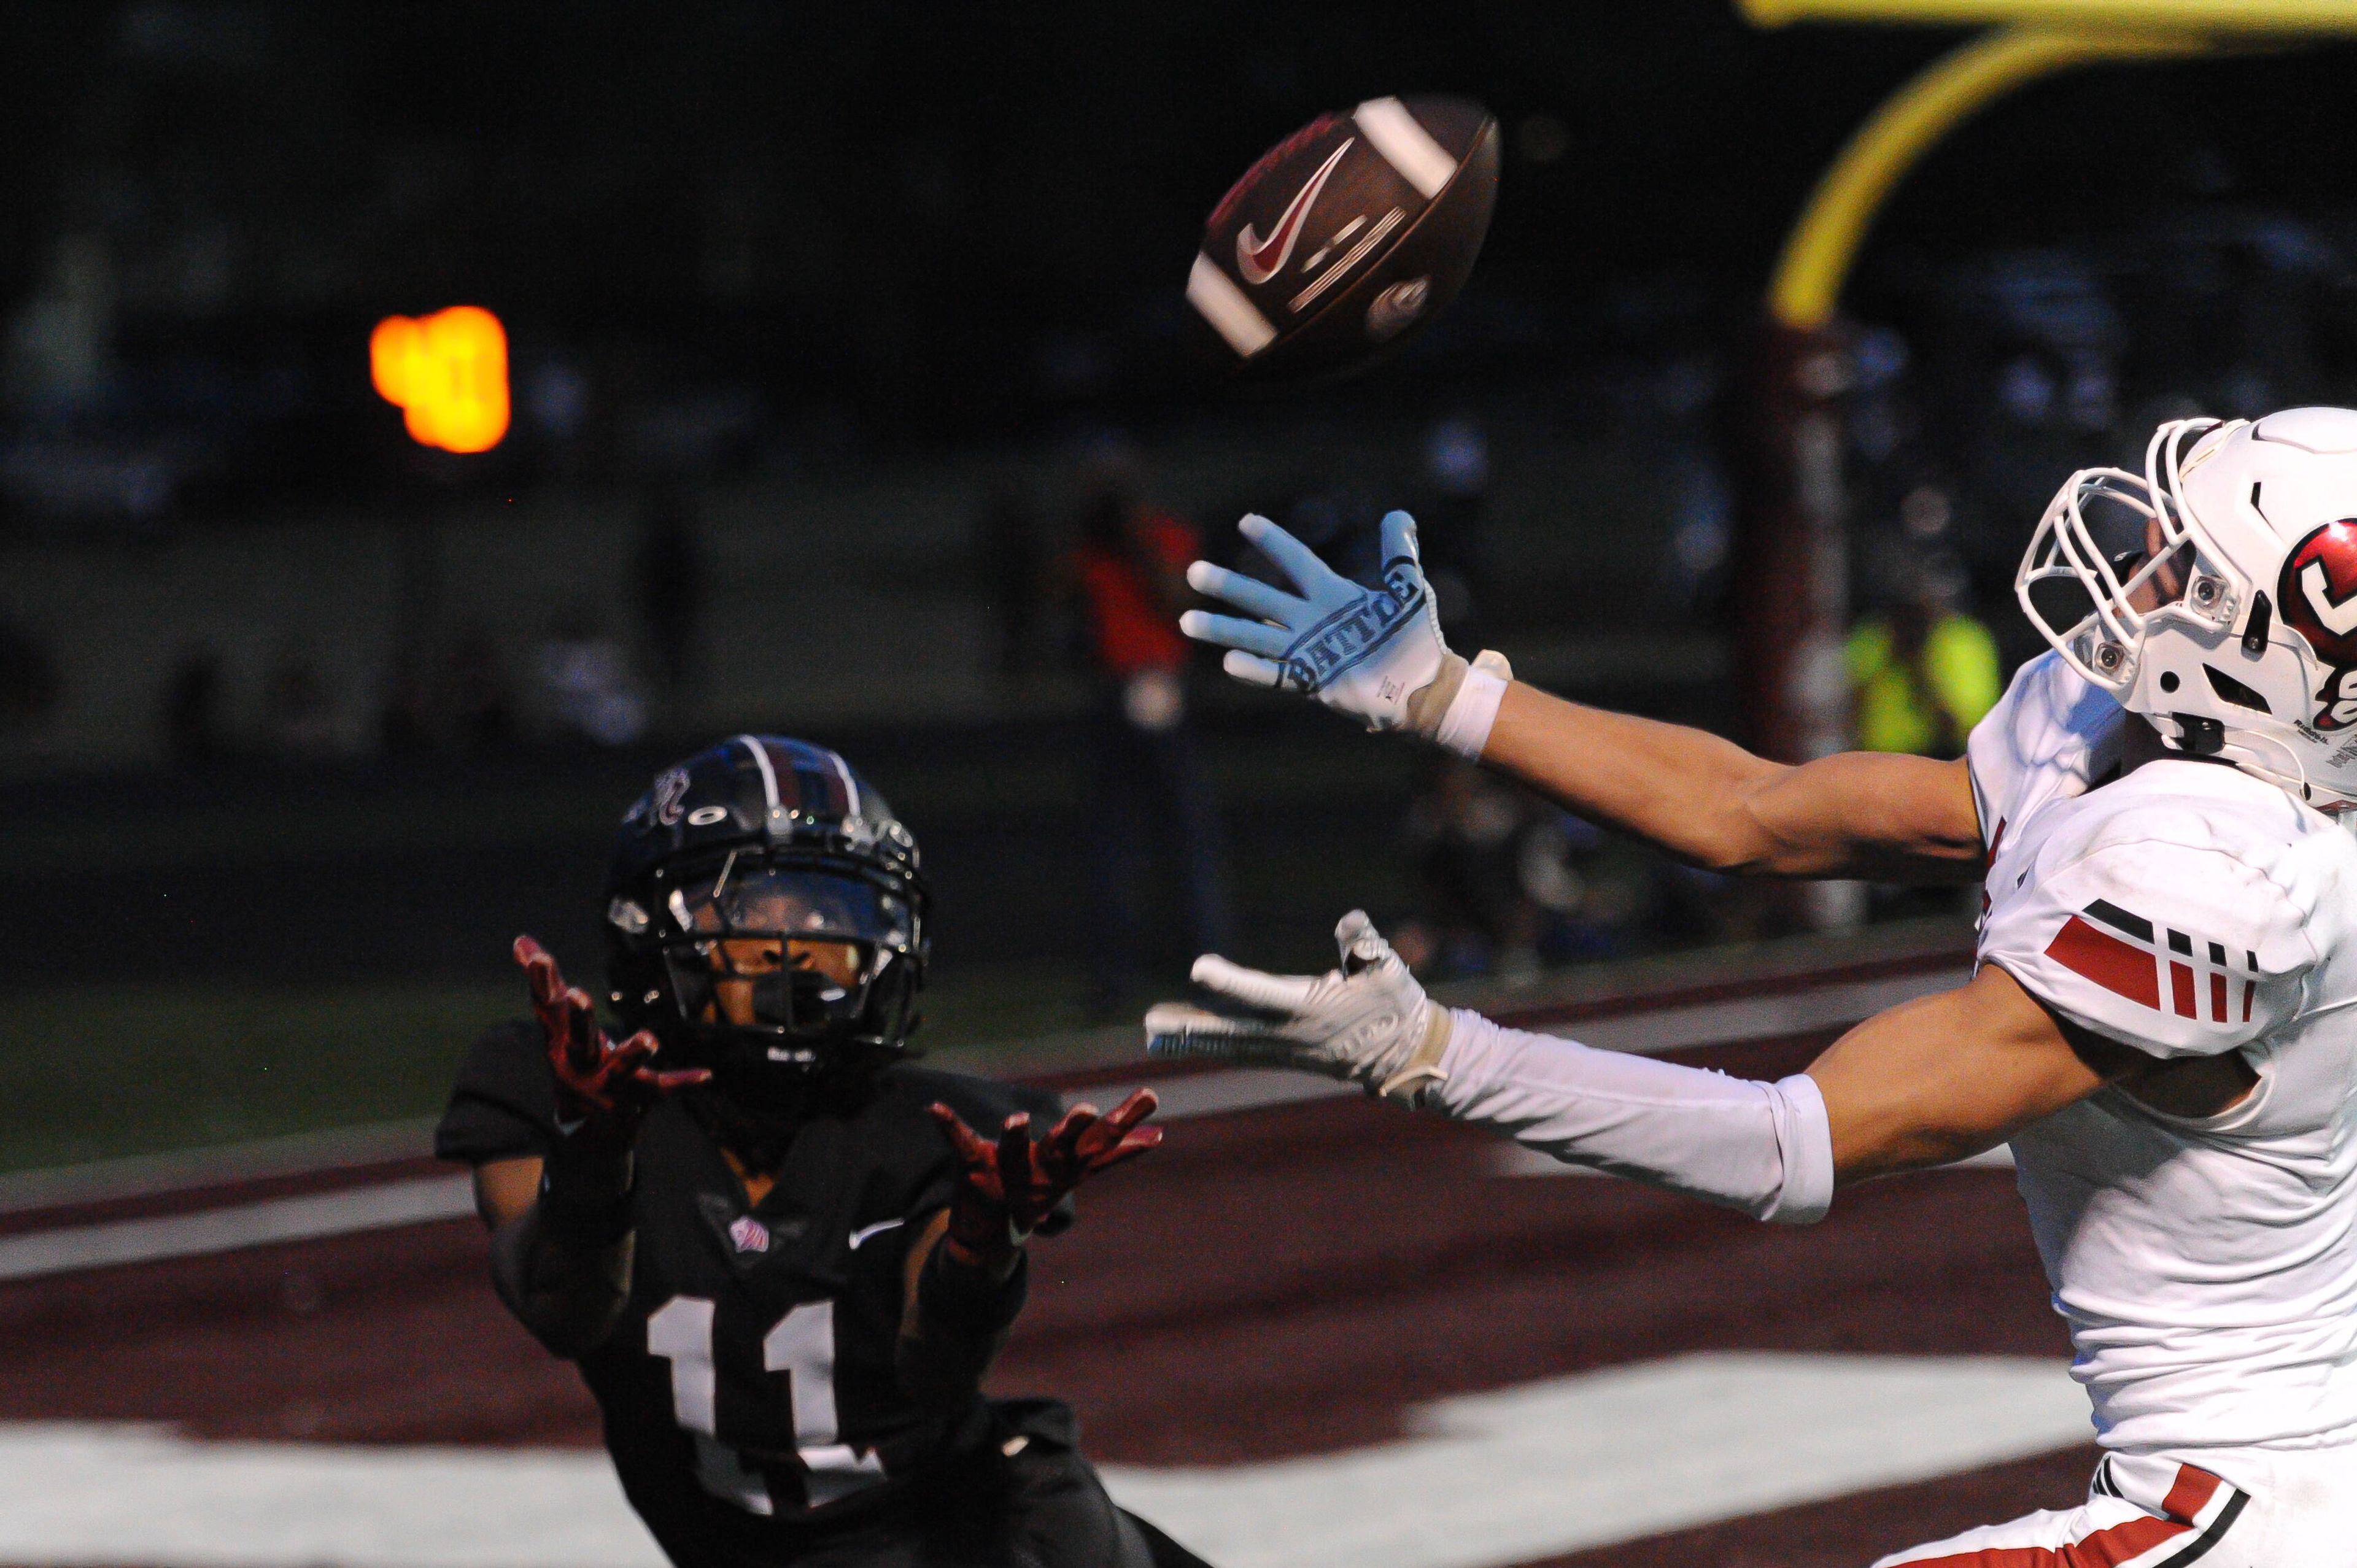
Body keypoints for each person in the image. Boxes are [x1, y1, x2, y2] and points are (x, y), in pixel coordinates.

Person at [1156, 411, 2357, 1564]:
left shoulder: (2227, 882)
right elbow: (1754, 814)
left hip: (2260, 1516)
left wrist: (1435, 1057)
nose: (2138, 572)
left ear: (2278, 662)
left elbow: (1790, 1141)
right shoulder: (2147, 741)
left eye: (2185, 573)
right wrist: (1444, 691)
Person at [436, 734, 1207, 1568]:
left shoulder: (935, 1127)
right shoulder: (552, 1088)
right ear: (646, 931)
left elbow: (938, 1373)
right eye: (750, 907)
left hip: (982, 1542)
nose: (796, 945)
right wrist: (594, 1156)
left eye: (825, 911)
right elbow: (565, 1310)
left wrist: (980, 1254)